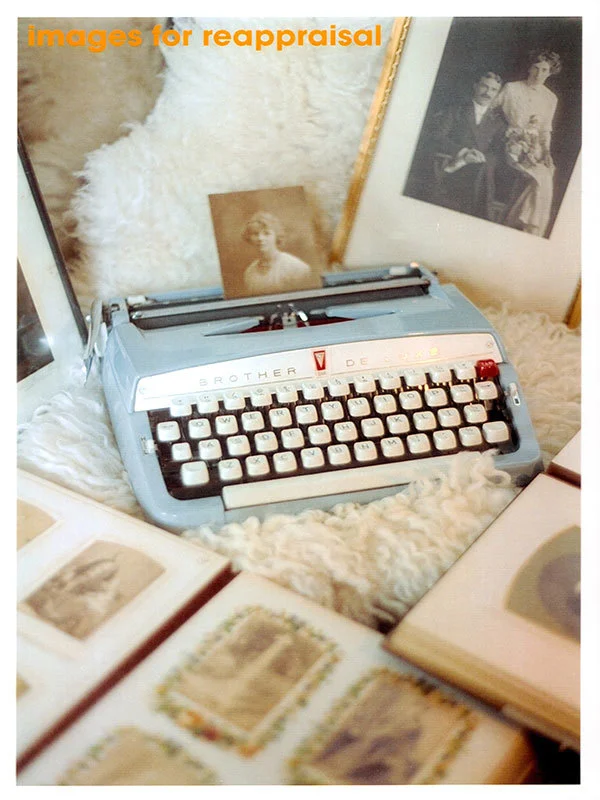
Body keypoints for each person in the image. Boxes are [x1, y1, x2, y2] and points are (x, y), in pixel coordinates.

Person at [497, 50, 562, 237]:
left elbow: (545, 130)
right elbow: (490, 110)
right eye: (535, 68)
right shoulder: (511, 88)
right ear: (529, 67)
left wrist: (547, 152)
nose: (538, 74)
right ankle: (528, 229)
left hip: (536, 147)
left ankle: (521, 224)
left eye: (544, 70)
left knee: (546, 173)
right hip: (511, 143)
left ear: (550, 73)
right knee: (541, 178)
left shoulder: (551, 98)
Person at [426, 71, 507, 219]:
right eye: (484, 86)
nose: (488, 93)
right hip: (452, 166)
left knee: (483, 170)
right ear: (475, 86)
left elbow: (497, 153)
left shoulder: (499, 121)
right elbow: (437, 137)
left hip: (481, 171)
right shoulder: (456, 109)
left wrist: (482, 158)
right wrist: (463, 153)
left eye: (494, 90)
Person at [241, 211, 314, 296]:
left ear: (276, 236)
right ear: (249, 238)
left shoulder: (295, 268)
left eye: (266, 233)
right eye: (255, 234)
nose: (260, 238)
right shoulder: (250, 273)